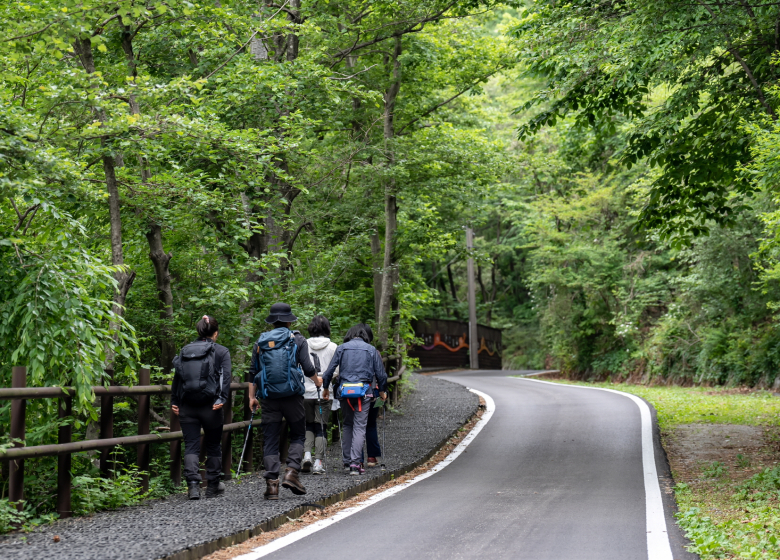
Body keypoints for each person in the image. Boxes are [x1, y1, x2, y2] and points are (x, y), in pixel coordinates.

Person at [249, 303, 322, 500]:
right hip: (292, 397)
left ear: (272, 322)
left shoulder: (261, 341)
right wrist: (317, 381)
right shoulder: (297, 339)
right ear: (289, 321)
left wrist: (252, 397)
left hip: (269, 397)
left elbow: (253, 372)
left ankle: (272, 486)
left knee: (270, 439)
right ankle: (291, 472)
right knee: (298, 434)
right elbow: (308, 368)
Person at [171, 315, 231, 500]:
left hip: (187, 405)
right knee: (213, 445)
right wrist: (222, 398)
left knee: (191, 445)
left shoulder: (185, 350)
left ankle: (193, 487)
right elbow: (226, 377)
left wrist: (175, 401)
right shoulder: (221, 351)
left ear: (198, 330)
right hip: (211, 406)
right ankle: (212, 486)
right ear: (216, 333)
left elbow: (178, 377)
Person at [322, 324, 387, 475]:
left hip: (345, 391)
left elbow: (329, 372)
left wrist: (326, 388)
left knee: (347, 424)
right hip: (363, 392)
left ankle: (346, 462)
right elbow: (381, 374)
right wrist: (382, 391)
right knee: (360, 426)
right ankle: (355, 464)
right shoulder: (371, 349)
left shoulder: (341, 348)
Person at [302, 315, 338, 475]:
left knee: (308, 425)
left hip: (306, 391)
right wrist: (324, 378)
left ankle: (307, 455)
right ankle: (318, 463)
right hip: (324, 392)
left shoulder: (303, 345)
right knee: (321, 426)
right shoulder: (333, 347)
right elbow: (337, 369)